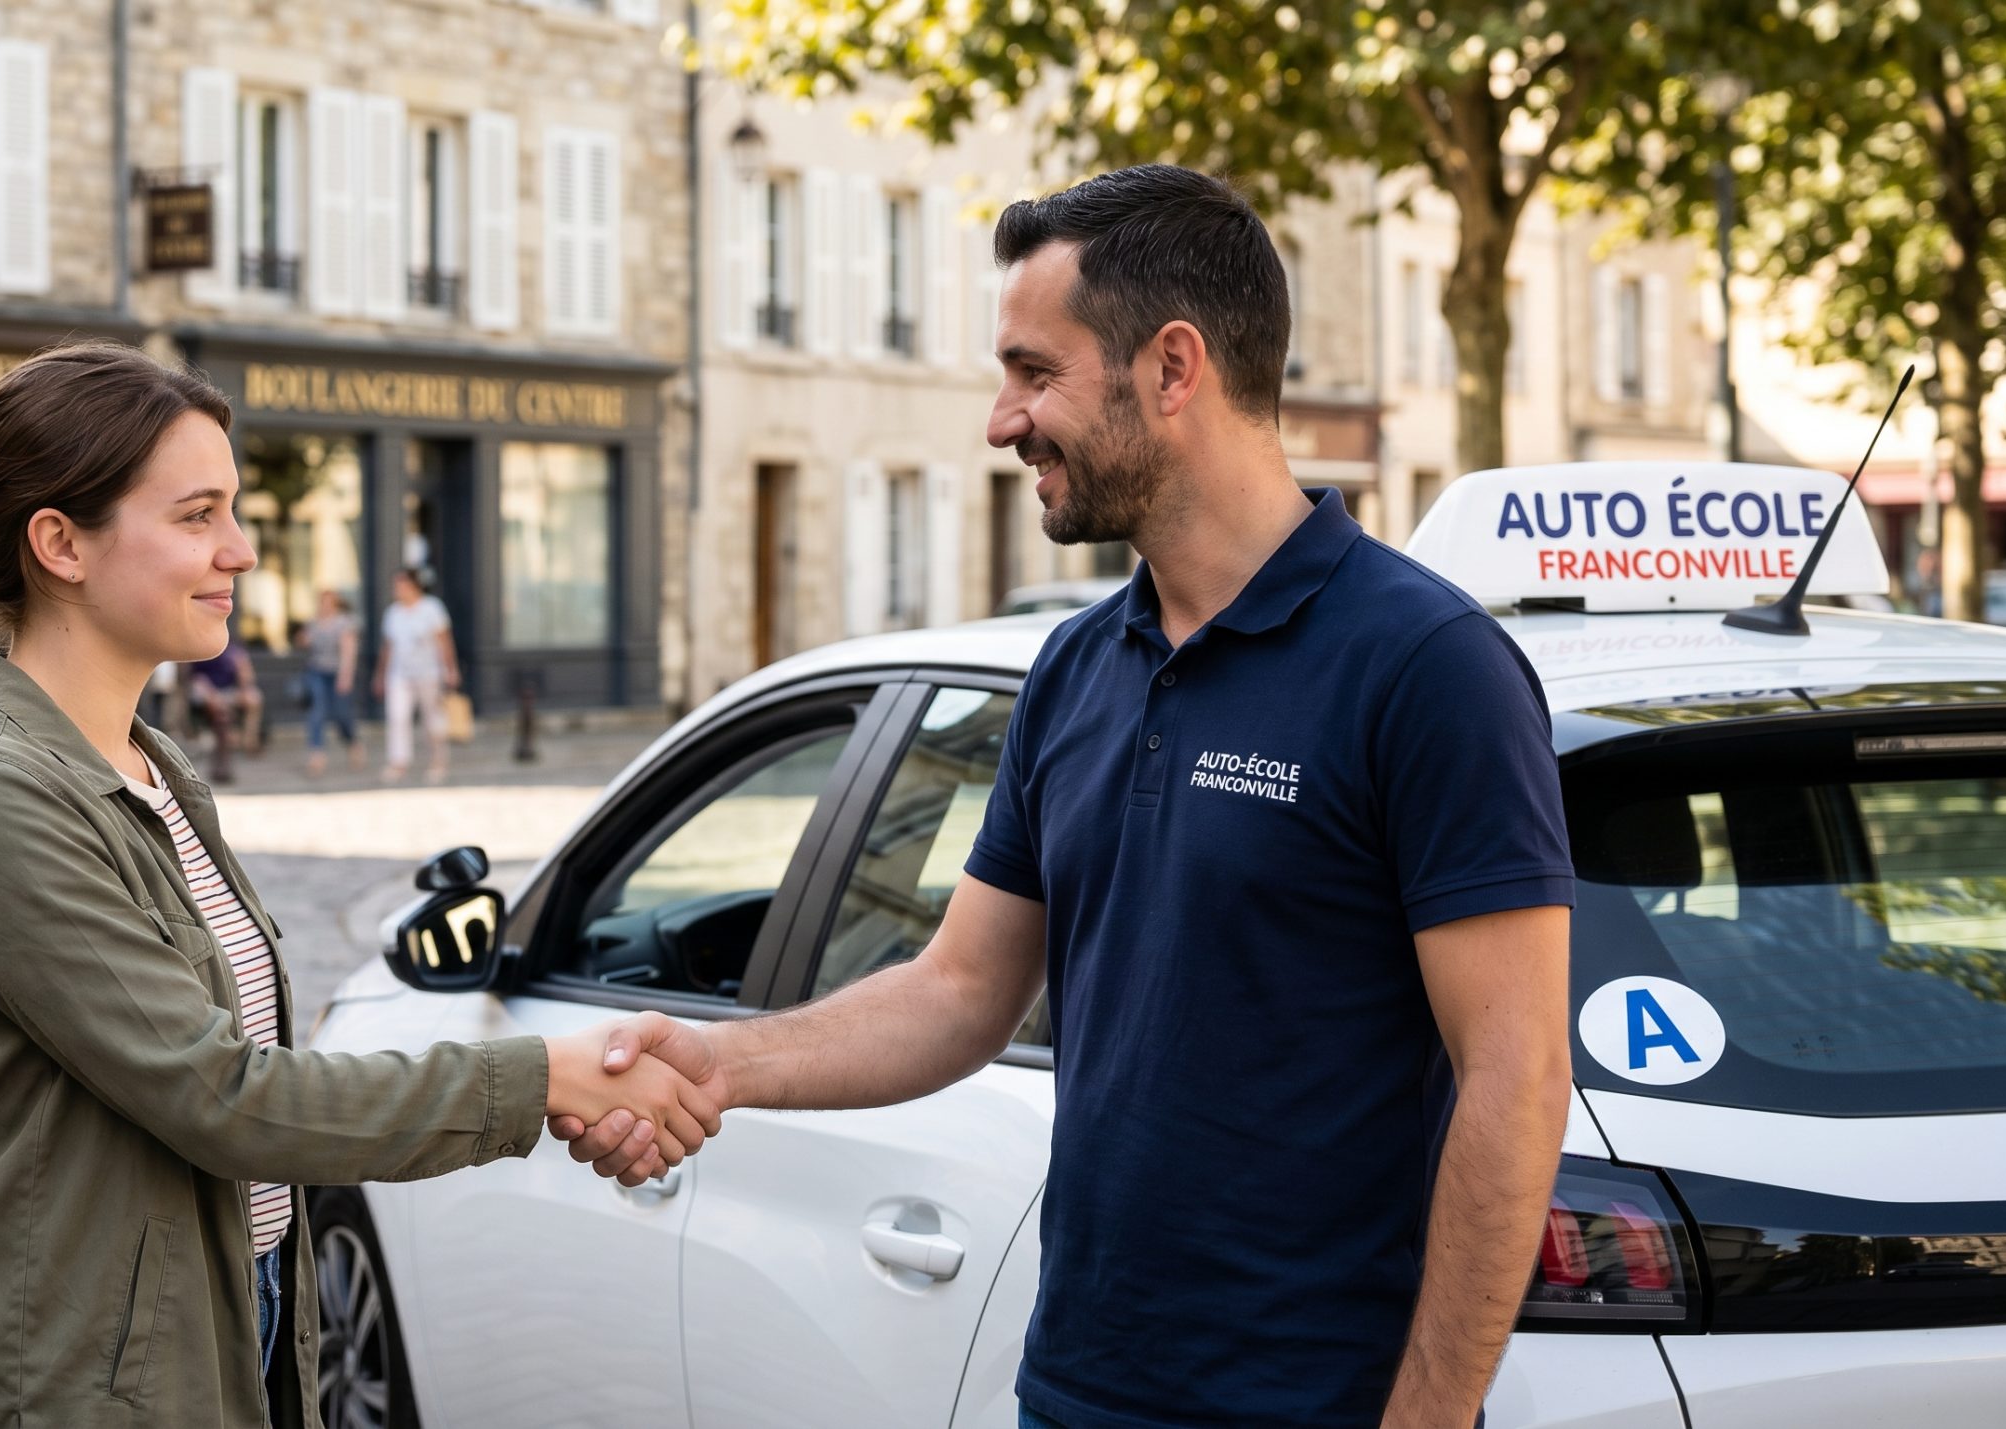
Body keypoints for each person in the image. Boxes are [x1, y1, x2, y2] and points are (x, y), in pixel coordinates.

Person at [564, 166, 1575, 1429]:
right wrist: (713, 1061)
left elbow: (1519, 1076)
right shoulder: (1075, 667)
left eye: (1033, 373)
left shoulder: (1425, 666)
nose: (1002, 421)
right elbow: (958, 990)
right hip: (1078, 1390)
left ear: (1170, 368)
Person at [0, 341, 713, 1429]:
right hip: (67, 1375)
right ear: (60, 543)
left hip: (226, 1318)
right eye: (196, 515)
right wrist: (543, 1078)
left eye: (232, 510)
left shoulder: (149, 764)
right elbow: (221, 1094)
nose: (240, 550)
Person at [374, 567, 457, 783]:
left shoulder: (432, 608)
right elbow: (388, 646)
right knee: (398, 717)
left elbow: (444, 640)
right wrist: (380, 674)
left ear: (413, 586)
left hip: (429, 673)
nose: (397, 590)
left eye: (400, 586)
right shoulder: (393, 612)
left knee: (432, 719)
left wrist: (451, 669)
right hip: (400, 674)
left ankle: (438, 760)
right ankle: (398, 762)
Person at [298, 590, 362, 776]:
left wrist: (346, 677)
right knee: (317, 711)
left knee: (341, 715)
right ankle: (317, 755)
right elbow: (304, 642)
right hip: (317, 672)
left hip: (337, 673)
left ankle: (353, 743)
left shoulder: (344, 622)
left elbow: (349, 652)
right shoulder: (314, 623)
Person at [182, 640, 263, 782]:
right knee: (219, 714)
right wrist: (213, 697)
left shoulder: (233, 651)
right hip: (207, 693)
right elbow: (196, 679)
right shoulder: (201, 650)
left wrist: (244, 682)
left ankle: (248, 740)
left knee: (253, 698)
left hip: (227, 693)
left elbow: (246, 675)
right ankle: (227, 733)